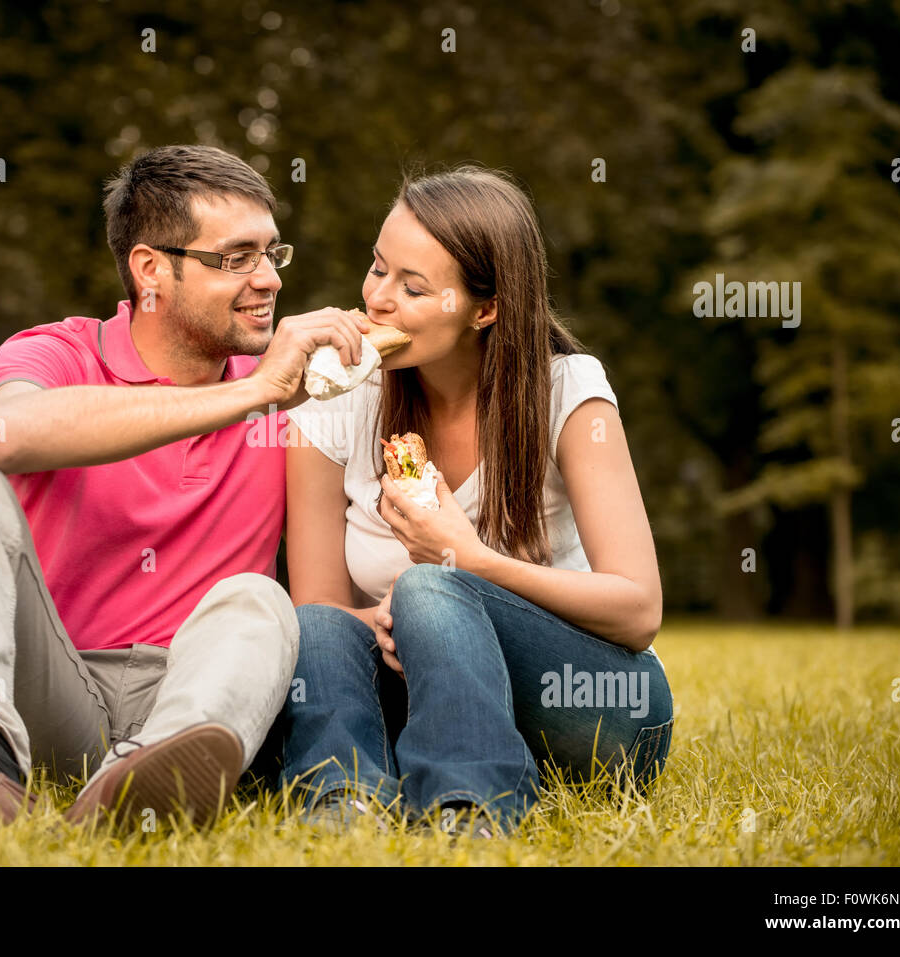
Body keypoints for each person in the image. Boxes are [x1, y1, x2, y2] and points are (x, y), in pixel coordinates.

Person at [0, 144, 372, 828]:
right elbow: (5, 433)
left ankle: (145, 783)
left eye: (272, 252)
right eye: (235, 258)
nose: (268, 278)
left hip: (200, 696)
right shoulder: (59, 352)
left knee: (257, 598)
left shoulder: (297, 384)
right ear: (150, 269)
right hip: (53, 692)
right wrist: (254, 391)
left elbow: (435, 340)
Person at [280, 165, 674, 838]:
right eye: (377, 269)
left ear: (483, 308)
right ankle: (344, 799)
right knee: (314, 626)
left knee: (432, 586)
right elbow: (320, 609)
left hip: (593, 705)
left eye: (412, 286)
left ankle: (473, 807)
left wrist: (469, 559)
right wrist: (371, 620)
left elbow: (639, 611)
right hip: (415, 697)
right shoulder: (336, 403)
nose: (377, 299)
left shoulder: (568, 393)